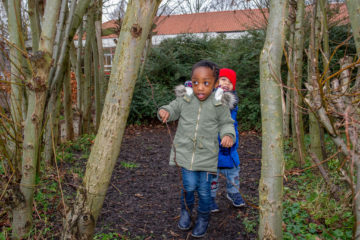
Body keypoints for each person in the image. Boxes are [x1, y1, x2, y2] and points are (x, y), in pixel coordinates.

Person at [158, 60, 235, 238]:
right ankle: (186, 211)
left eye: (206, 83)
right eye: (196, 82)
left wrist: (228, 135)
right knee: (189, 187)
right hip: (185, 154)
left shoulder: (219, 104)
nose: (200, 87)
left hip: (207, 155)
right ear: (191, 82)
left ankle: (203, 218)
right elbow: (172, 108)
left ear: (216, 84)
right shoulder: (185, 99)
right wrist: (165, 111)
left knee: (204, 191)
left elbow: (226, 124)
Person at [210, 68, 245, 213]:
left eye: (230, 82)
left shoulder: (232, 100)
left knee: (234, 170)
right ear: (217, 81)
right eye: (223, 79)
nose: (226, 84)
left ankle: (233, 192)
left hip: (229, 143)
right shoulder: (210, 96)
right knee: (211, 174)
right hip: (212, 144)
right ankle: (209, 198)